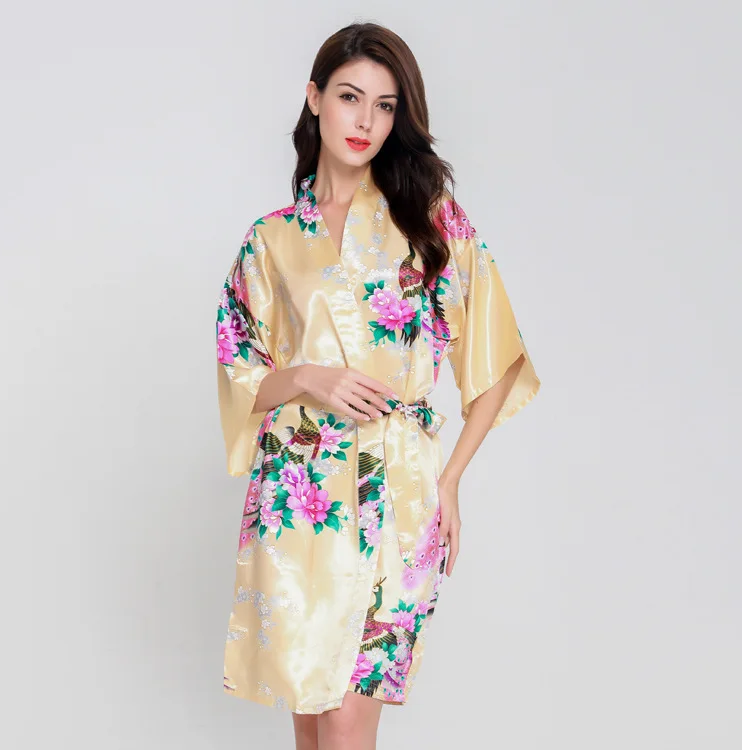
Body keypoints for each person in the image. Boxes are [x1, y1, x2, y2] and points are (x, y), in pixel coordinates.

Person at [215, 21, 541, 750]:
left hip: (398, 492)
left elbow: (499, 356)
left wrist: (450, 480)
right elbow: (241, 373)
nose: (365, 120)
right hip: (299, 495)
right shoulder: (271, 240)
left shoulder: (430, 223)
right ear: (314, 98)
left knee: (346, 724)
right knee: (312, 721)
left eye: (385, 105)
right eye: (350, 97)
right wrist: (307, 376)